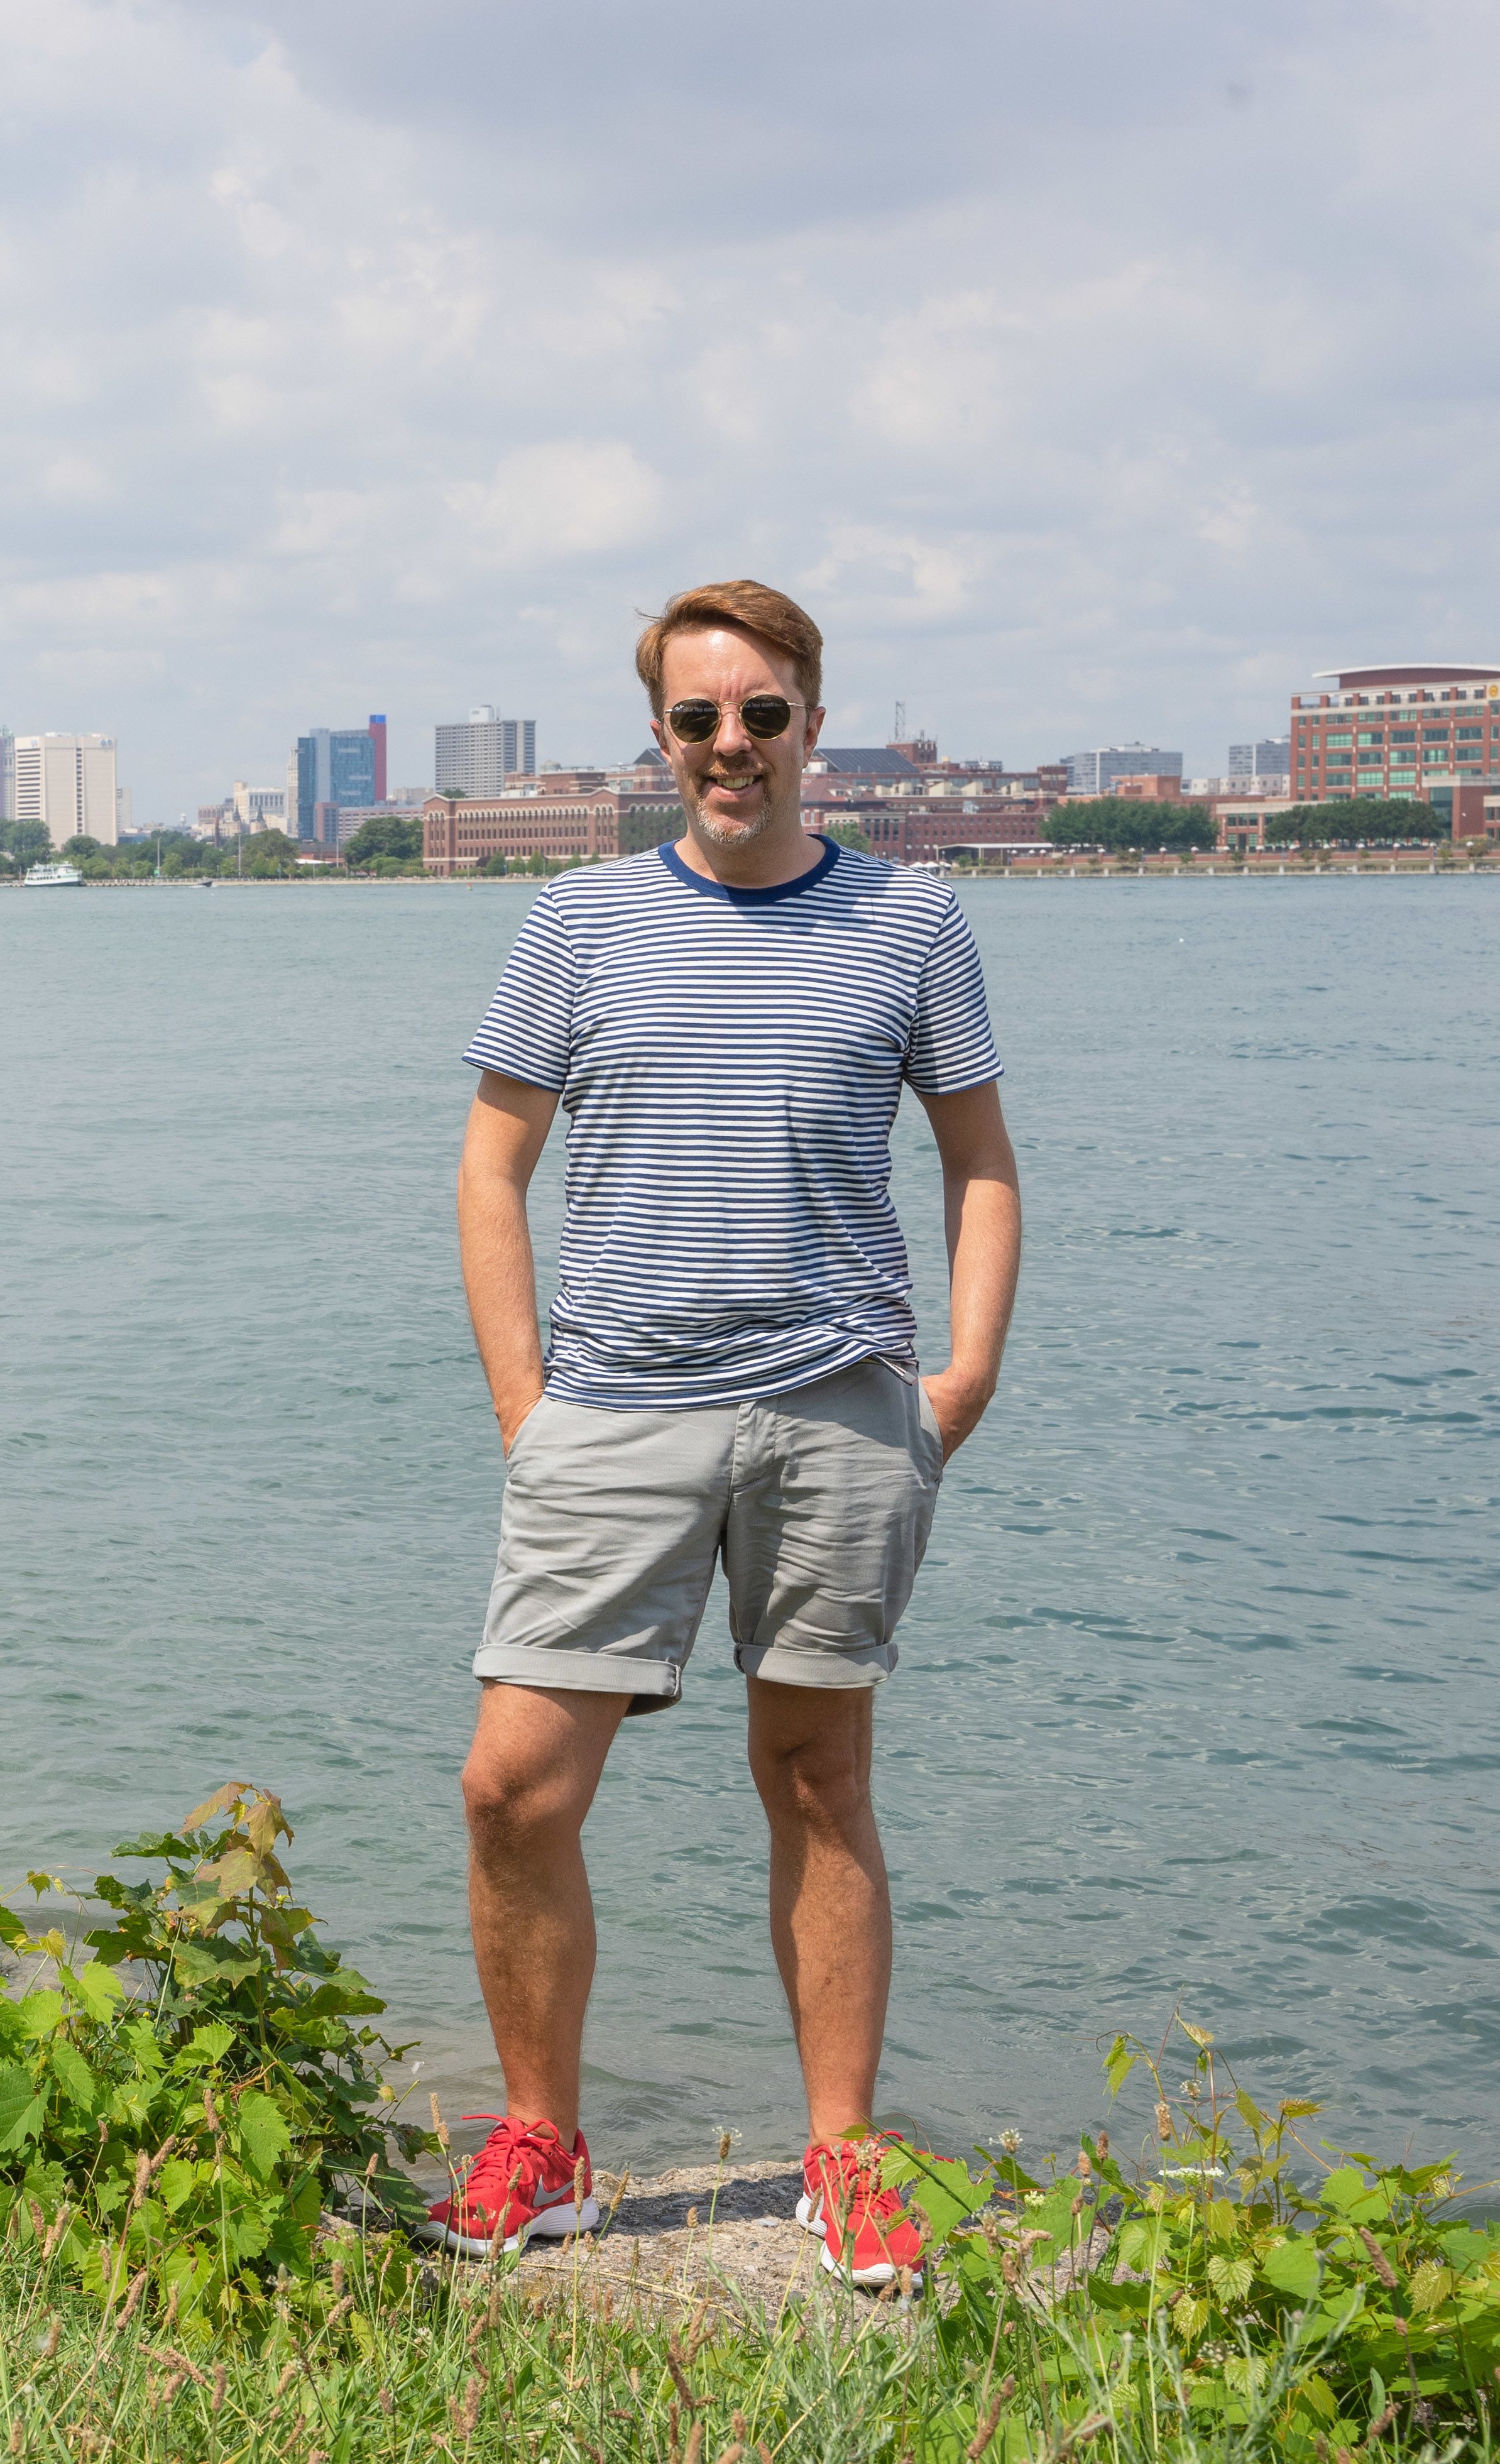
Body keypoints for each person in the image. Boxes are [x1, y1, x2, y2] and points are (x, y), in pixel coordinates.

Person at [421, 579, 1024, 2290]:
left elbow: (981, 1166)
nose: (732, 746)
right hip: (614, 1411)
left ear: (813, 719)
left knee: (820, 1781)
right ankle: (545, 2144)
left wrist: (960, 1379)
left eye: (761, 712)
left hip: (843, 1411)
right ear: (662, 738)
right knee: (512, 1789)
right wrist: (525, 1409)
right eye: (699, 719)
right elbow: (490, 1166)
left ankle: (843, 2154)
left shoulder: (912, 921)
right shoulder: (581, 922)